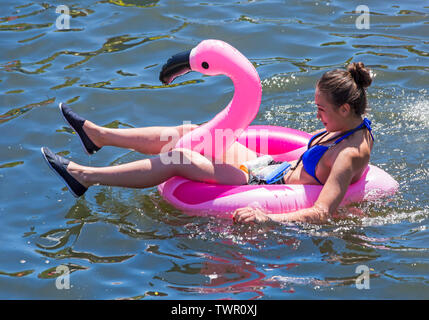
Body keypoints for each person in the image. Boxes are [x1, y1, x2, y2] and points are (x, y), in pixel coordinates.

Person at [41, 62, 373, 224]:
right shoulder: (352, 126)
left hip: (260, 182)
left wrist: (267, 219)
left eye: (321, 109)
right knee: (194, 132)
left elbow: (322, 212)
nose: (316, 115)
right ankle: (99, 136)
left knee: (178, 157)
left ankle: (84, 176)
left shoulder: (347, 155)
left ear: (345, 108)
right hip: (272, 168)